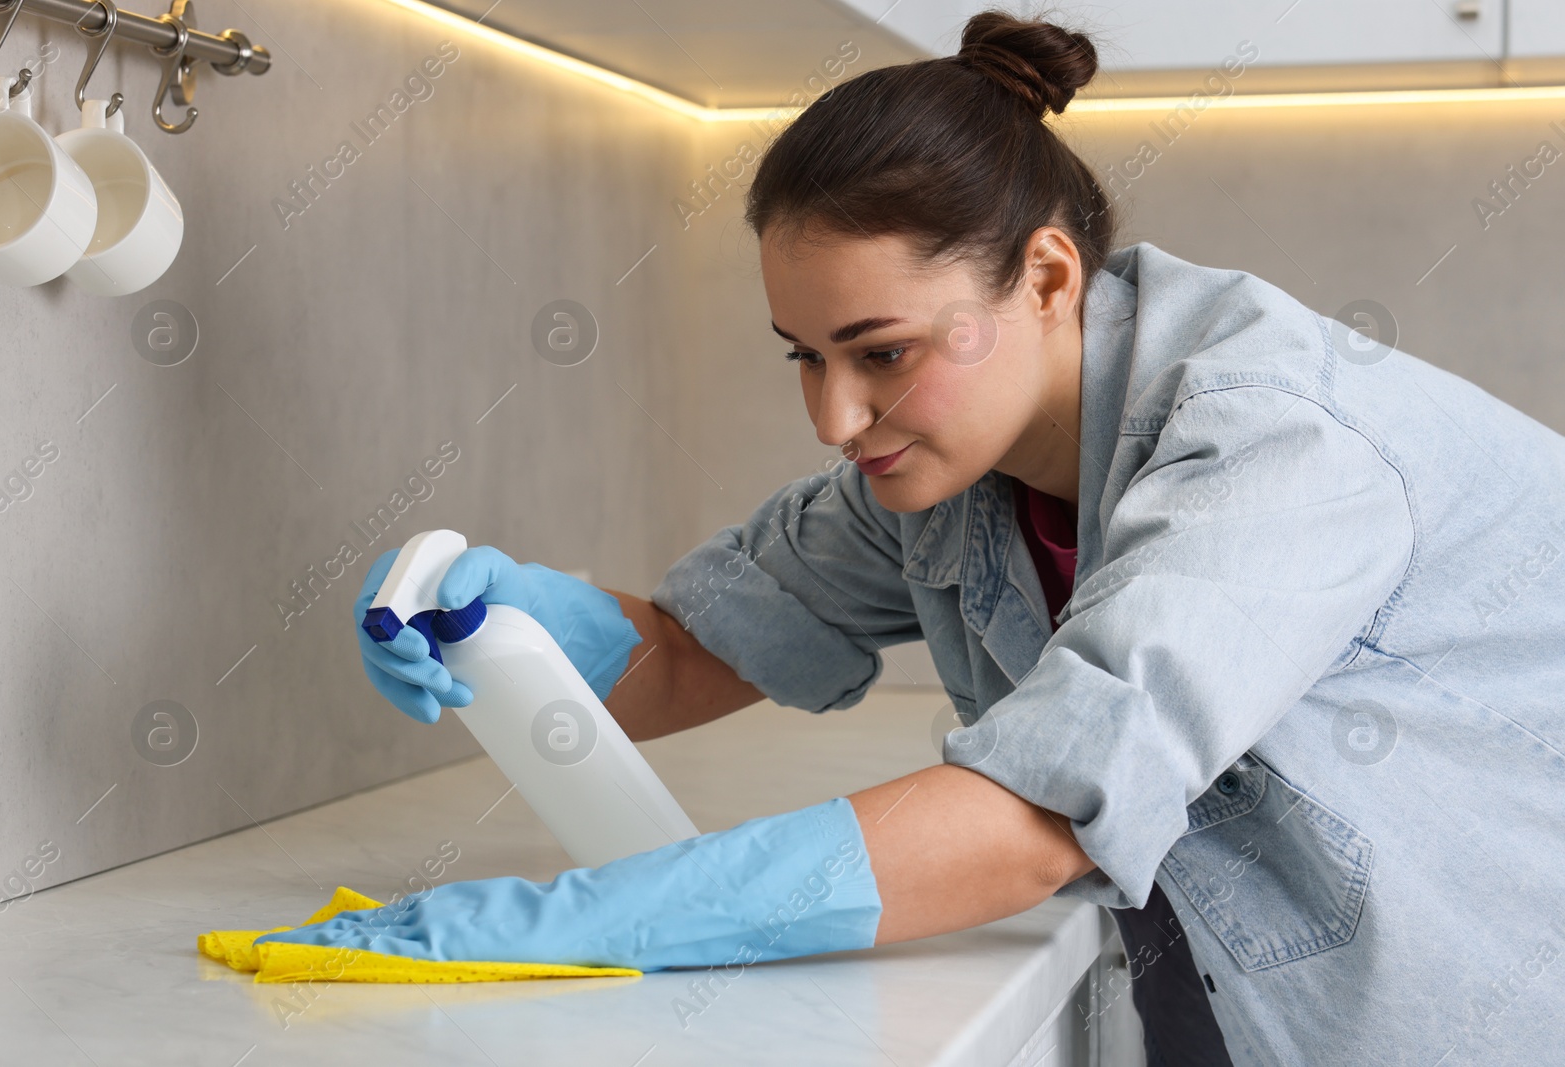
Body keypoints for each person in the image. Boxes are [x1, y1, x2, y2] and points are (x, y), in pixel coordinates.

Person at [262, 10, 1565, 1064]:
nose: (835, 416)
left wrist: (594, 920)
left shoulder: (1281, 445)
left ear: (1047, 278)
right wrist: (504, 635)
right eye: (805, 357)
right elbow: (694, 648)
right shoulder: (948, 469)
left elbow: (1040, 817)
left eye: (879, 352)